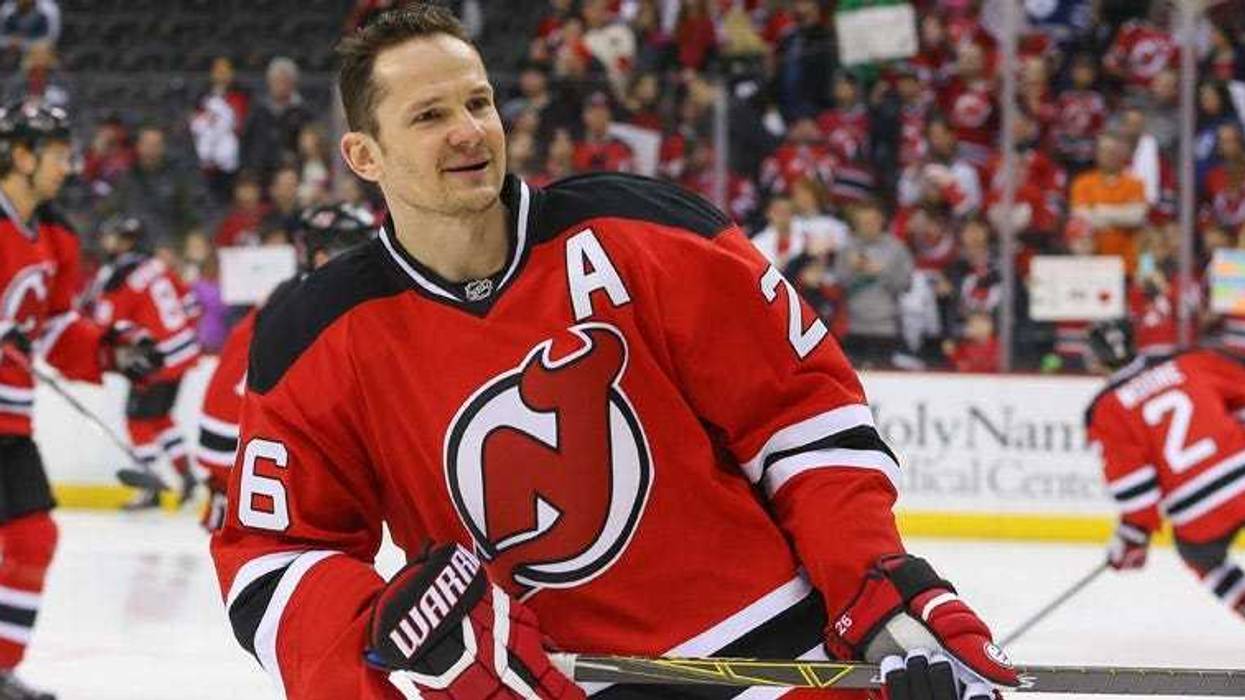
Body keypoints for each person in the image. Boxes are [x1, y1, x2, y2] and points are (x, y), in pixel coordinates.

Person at [210, 6, 1018, 700]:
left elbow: (800, 417)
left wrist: (873, 581)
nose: (469, 131)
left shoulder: (646, 232)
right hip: (545, 684)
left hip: (778, 655)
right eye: (428, 116)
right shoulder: (317, 335)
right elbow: (275, 559)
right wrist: (385, 635)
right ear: (364, 155)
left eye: (479, 102)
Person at [0, 102, 158, 700]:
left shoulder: (57, 236)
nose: (68, 166)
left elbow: (56, 328)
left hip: (11, 421)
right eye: (58, 155)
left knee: (33, 538)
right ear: (21, 156)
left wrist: (112, 350)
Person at [197, 203, 375, 532]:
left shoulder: (306, 293)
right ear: (319, 255)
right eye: (352, 246)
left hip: (255, 448)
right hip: (261, 455)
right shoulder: (308, 301)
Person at [1086, 319, 1245, 621]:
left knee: (1202, 556)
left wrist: (1133, 538)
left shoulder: (1105, 409)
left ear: (1095, 360)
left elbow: (1137, 487)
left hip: (1198, 511)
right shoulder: (1188, 361)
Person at [81, 216, 202, 510]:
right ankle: (187, 476)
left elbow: (107, 324)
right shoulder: (158, 265)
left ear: (126, 241)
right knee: (160, 417)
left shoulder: (118, 276)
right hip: (183, 352)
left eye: (112, 237)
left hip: (156, 358)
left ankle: (150, 487)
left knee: (136, 421)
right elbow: (192, 307)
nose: (106, 242)